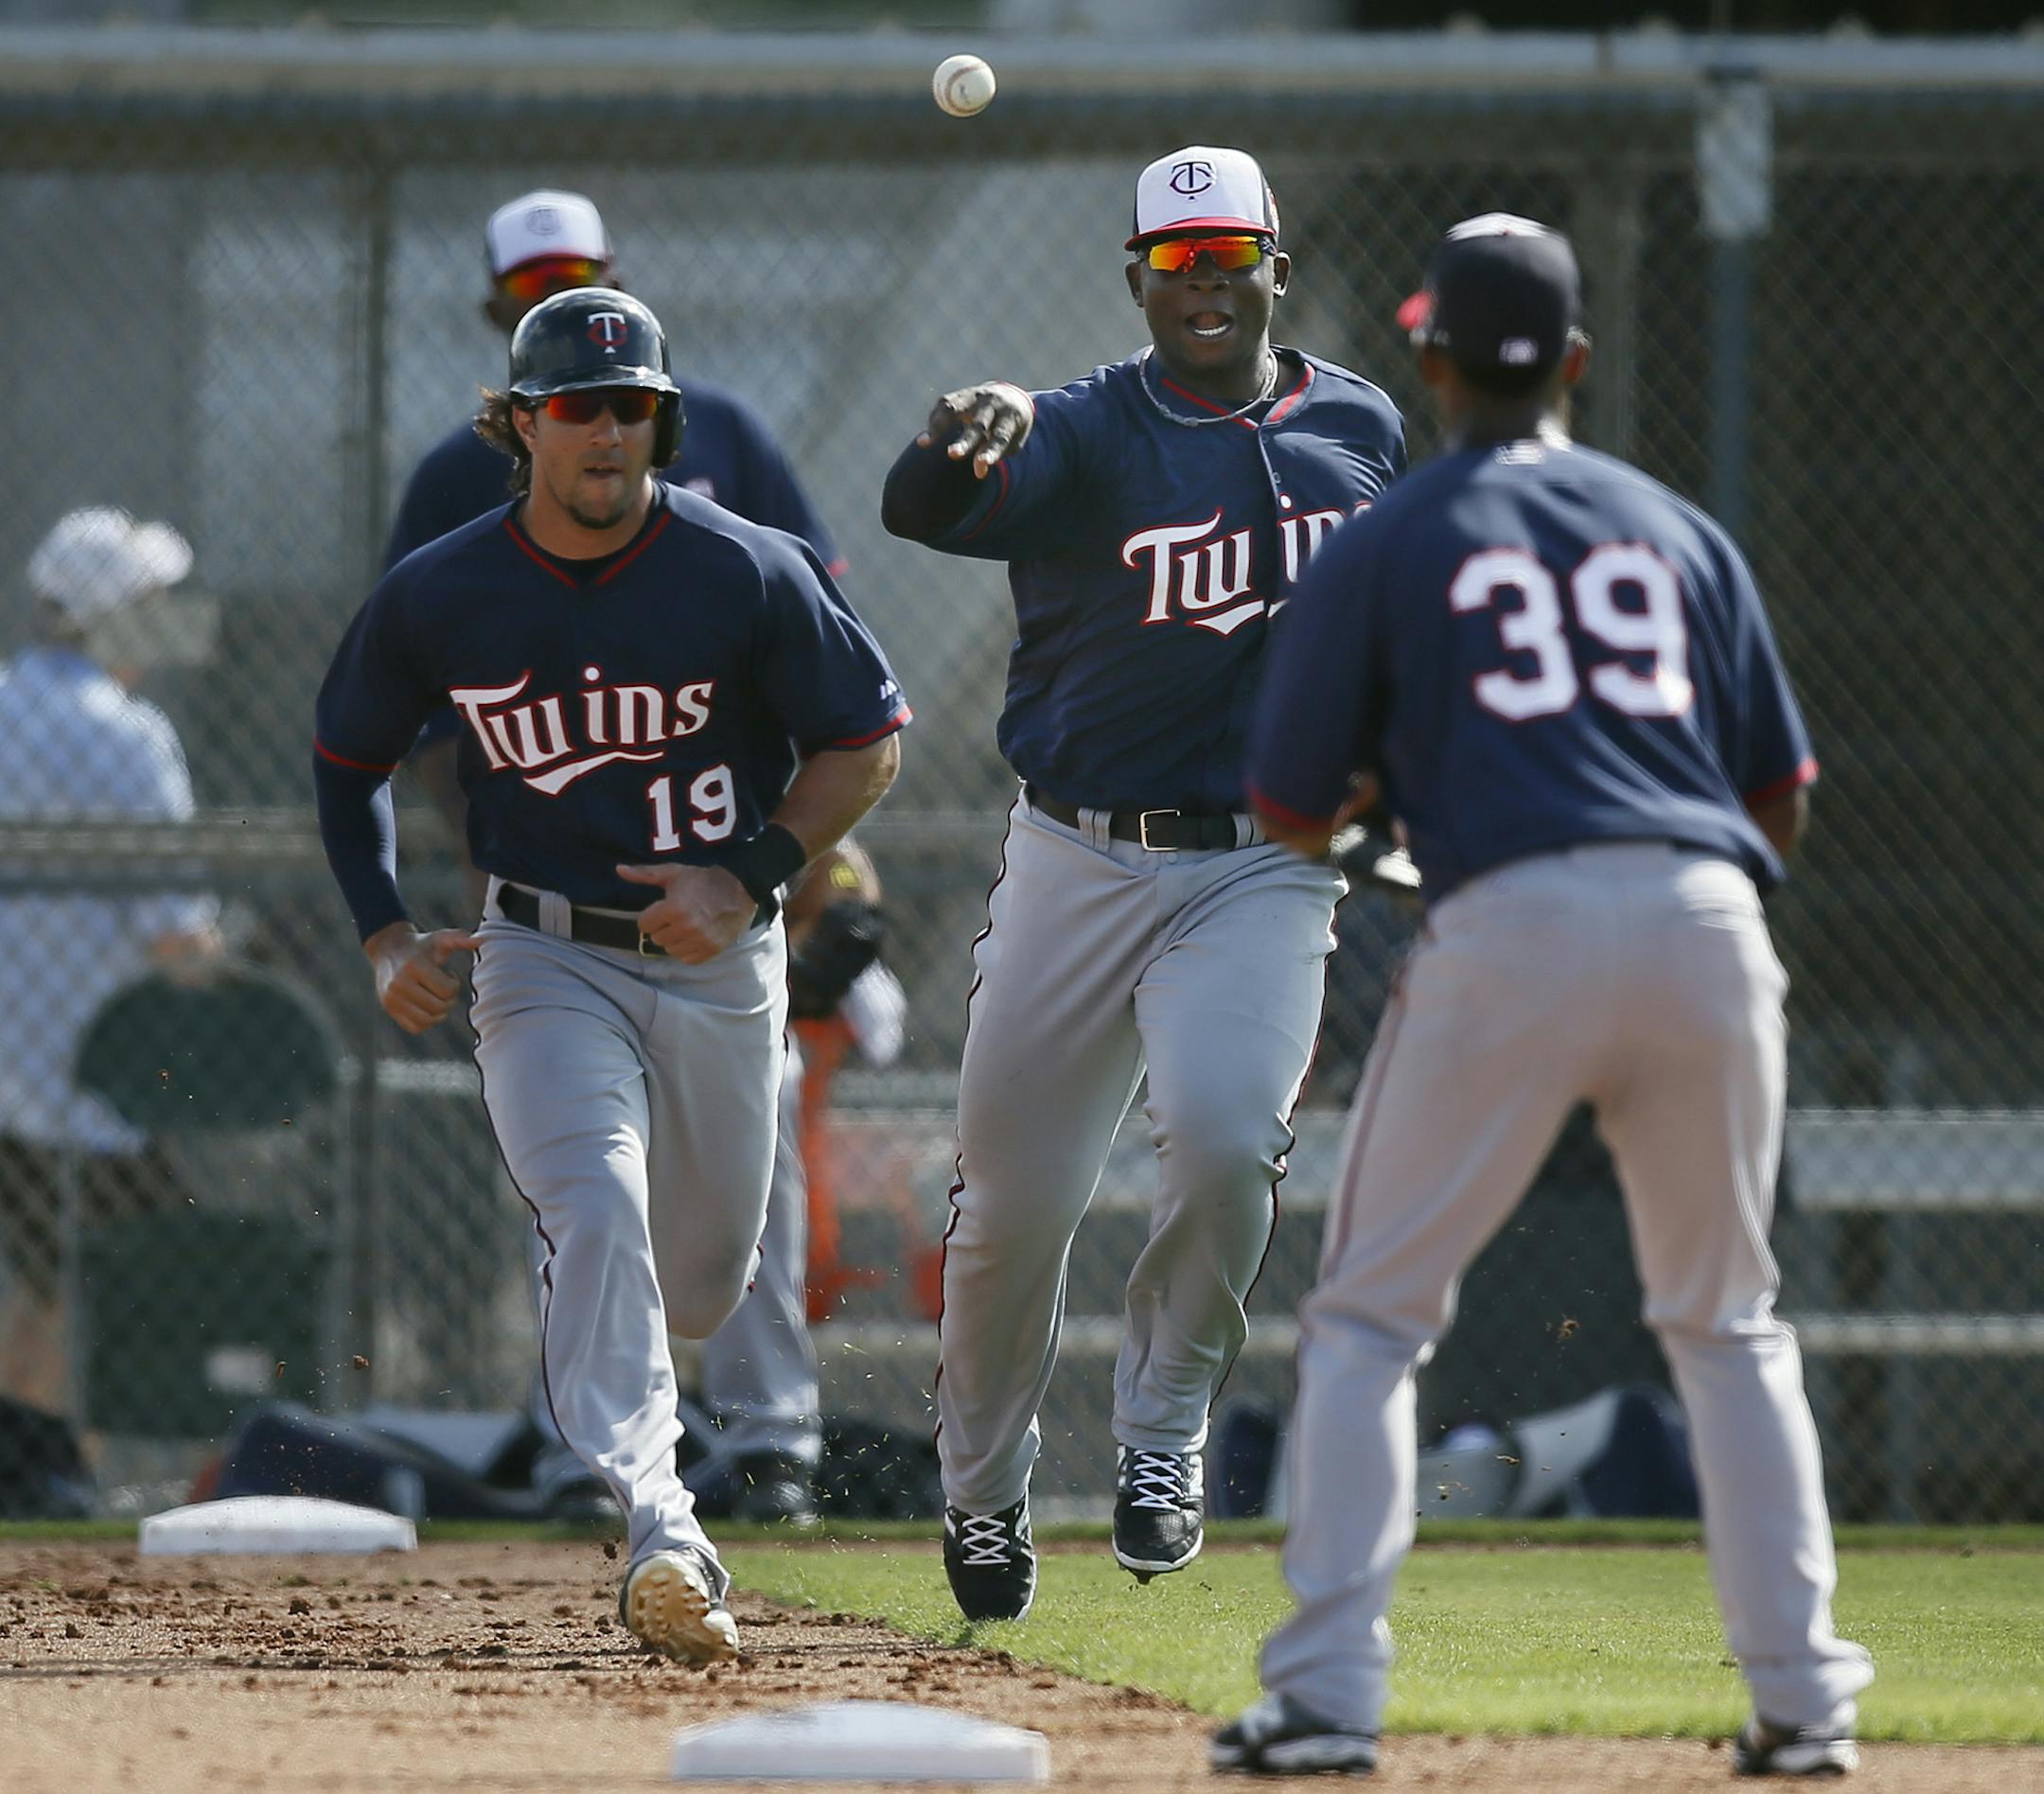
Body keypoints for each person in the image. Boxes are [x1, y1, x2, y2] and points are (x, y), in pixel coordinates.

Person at [1215, 215, 1872, 1778]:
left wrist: (1402, 831)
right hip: (1712, 915)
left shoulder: (1398, 532)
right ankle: (1805, 1706)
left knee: (1373, 1315)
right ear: (1575, 362)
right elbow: (1778, 795)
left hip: (1510, 913)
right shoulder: (1678, 527)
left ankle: (1324, 1699)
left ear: (1428, 356)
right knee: (1728, 1322)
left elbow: (1287, 803)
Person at [313, 288, 907, 1662]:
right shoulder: (444, 587)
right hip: (541, 955)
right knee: (594, 1206)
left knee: (698, 1278)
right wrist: (386, 935)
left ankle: (688, 1454)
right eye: (576, 407)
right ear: (521, 427)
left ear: (663, 424)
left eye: (629, 406)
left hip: (720, 968)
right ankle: (659, 1519)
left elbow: (867, 741)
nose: (604, 431)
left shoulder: (744, 565)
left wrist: (753, 870)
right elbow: (349, 768)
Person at [880, 146, 1405, 1621]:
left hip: (1264, 866)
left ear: (1275, 271)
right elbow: (924, 506)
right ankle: (982, 1498)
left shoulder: (1358, 421)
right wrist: (960, 433)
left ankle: (1162, 1436)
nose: (1205, 282)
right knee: (1012, 1215)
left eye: (1230, 255)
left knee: (1232, 1147)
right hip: (1076, 856)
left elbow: (1390, 623)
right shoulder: (1082, 429)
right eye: (1176, 261)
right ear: (1138, 279)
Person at [386, 187, 860, 1528]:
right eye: (531, 284)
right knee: (577, 1174)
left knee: (751, 1158)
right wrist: (483, 855)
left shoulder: (724, 449)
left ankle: (772, 1438)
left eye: (582, 275)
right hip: (552, 901)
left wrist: (802, 869)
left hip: (720, 889)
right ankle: (589, 1446)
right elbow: (418, 714)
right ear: (497, 320)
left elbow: (834, 672)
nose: (599, 425)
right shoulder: (450, 483)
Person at [0, 509, 220, 1414]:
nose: (170, 616)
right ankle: (49, 1465)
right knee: (94, 1294)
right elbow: (177, 943)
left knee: (48, 1287)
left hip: (19, 1078)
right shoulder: (129, 734)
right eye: (152, 601)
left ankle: (38, 1466)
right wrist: (228, 956)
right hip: (87, 1090)